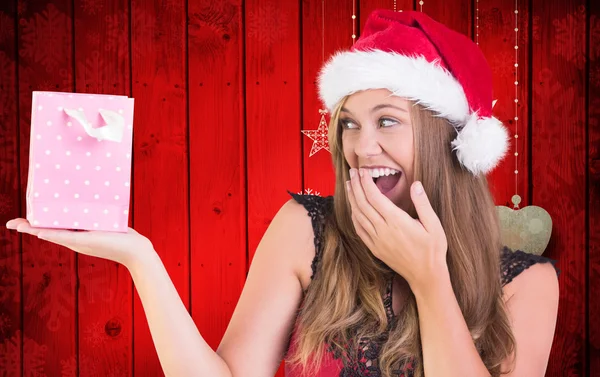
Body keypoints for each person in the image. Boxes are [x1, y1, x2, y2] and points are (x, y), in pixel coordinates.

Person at [6, 9, 559, 377]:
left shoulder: (530, 283)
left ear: (448, 140)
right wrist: (141, 260)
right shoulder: (306, 229)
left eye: (387, 121)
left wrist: (428, 278)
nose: (362, 148)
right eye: (349, 123)